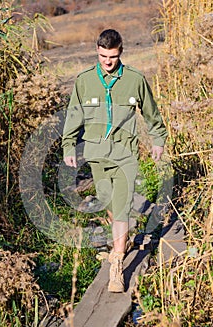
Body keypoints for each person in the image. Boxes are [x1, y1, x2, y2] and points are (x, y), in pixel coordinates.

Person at [62, 29, 167, 293]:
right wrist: (68, 145)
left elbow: (151, 114)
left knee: (120, 204)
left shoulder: (135, 79)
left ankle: (117, 265)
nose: (107, 62)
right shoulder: (85, 80)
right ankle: (123, 236)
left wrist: (158, 140)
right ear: (97, 50)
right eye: (102, 56)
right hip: (98, 155)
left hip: (126, 154)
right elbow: (74, 114)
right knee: (109, 200)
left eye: (112, 56)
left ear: (121, 51)